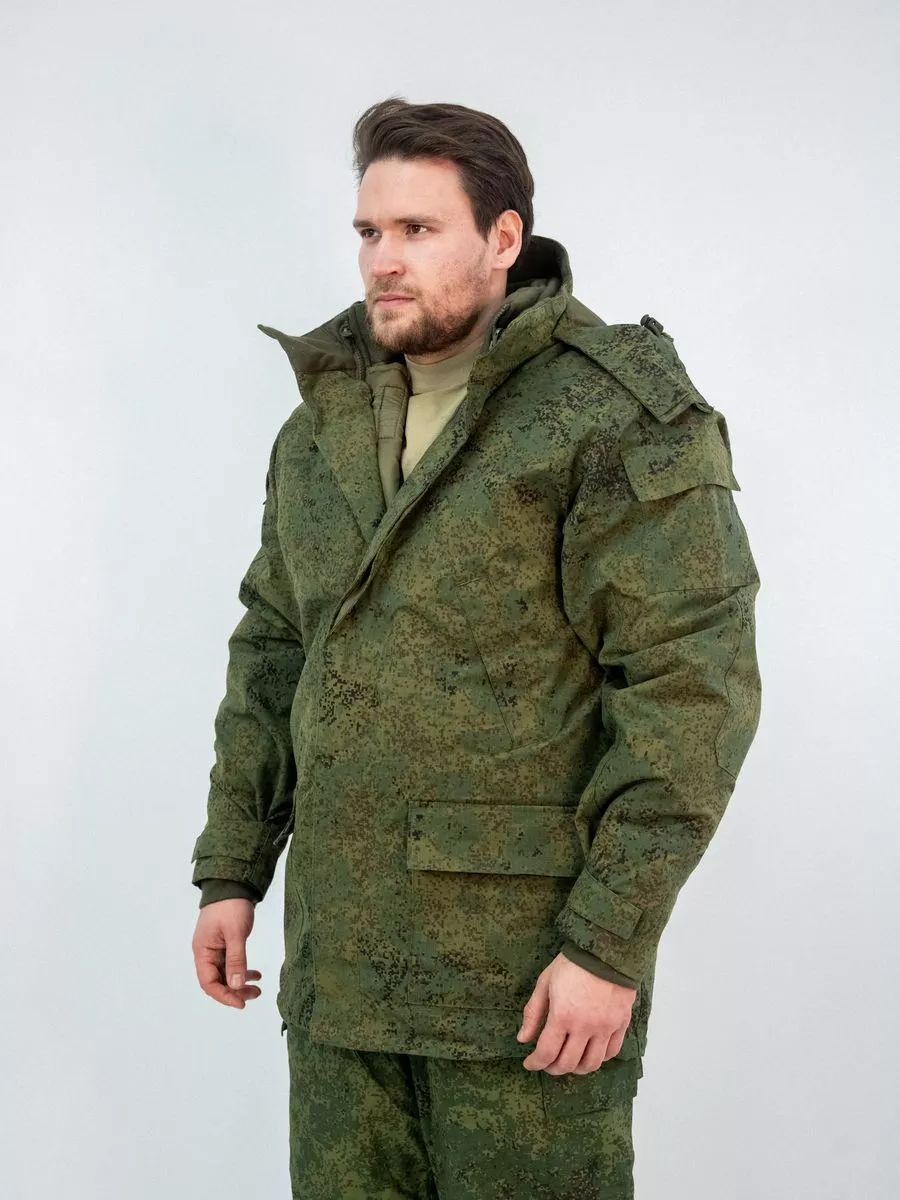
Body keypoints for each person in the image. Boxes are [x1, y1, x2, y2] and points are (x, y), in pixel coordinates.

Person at [189, 96, 762, 1199]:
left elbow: (692, 689)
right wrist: (233, 867)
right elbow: (274, 651)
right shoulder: (323, 423)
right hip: (341, 975)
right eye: (370, 231)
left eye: (418, 230)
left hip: (523, 984)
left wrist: (608, 944)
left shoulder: (611, 413)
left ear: (504, 239)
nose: (384, 260)